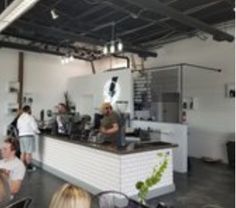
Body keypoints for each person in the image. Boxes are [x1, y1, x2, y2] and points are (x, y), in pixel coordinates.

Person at [17, 105, 40, 171]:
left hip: (21, 136)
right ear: (29, 110)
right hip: (28, 136)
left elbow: (18, 127)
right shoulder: (30, 117)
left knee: (22, 152)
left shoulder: (20, 118)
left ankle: (21, 167)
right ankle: (29, 167)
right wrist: (38, 132)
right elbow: (34, 127)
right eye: (30, 109)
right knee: (28, 153)